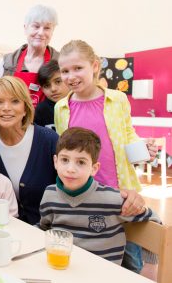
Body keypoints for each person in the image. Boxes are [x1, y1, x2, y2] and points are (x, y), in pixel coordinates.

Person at [54, 39, 157, 272]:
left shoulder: (117, 99)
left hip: (119, 191)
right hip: (83, 193)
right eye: (65, 71)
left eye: (77, 68)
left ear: (95, 65)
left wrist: (142, 150)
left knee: (130, 258)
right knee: (91, 254)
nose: (71, 76)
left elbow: (127, 134)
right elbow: (64, 151)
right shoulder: (61, 107)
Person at [39, 127, 160, 265]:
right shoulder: (50, 194)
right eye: (65, 160)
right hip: (62, 269)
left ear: (94, 168)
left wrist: (151, 263)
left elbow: (155, 222)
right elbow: (45, 229)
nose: (70, 169)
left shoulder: (113, 199)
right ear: (55, 162)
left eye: (81, 162)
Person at [0, 76, 58, 224]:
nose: (6, 108)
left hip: (46, 233)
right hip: (0, 233)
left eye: (15, 101)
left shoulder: (49, 140)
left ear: (25, 108)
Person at [1, 4, 59, 107]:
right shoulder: (8, 62)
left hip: (48, 122)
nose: (41, 33)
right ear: (25, 28)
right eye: (36, 26)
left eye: (47, 28)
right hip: (15, 121)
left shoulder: (60, 61)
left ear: (52, 31)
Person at [34, 60, 69, 130]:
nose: (53, 89)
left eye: (58, 82)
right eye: (47, 86)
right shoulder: (41, 110)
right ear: (42, 89)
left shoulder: (79, 104)